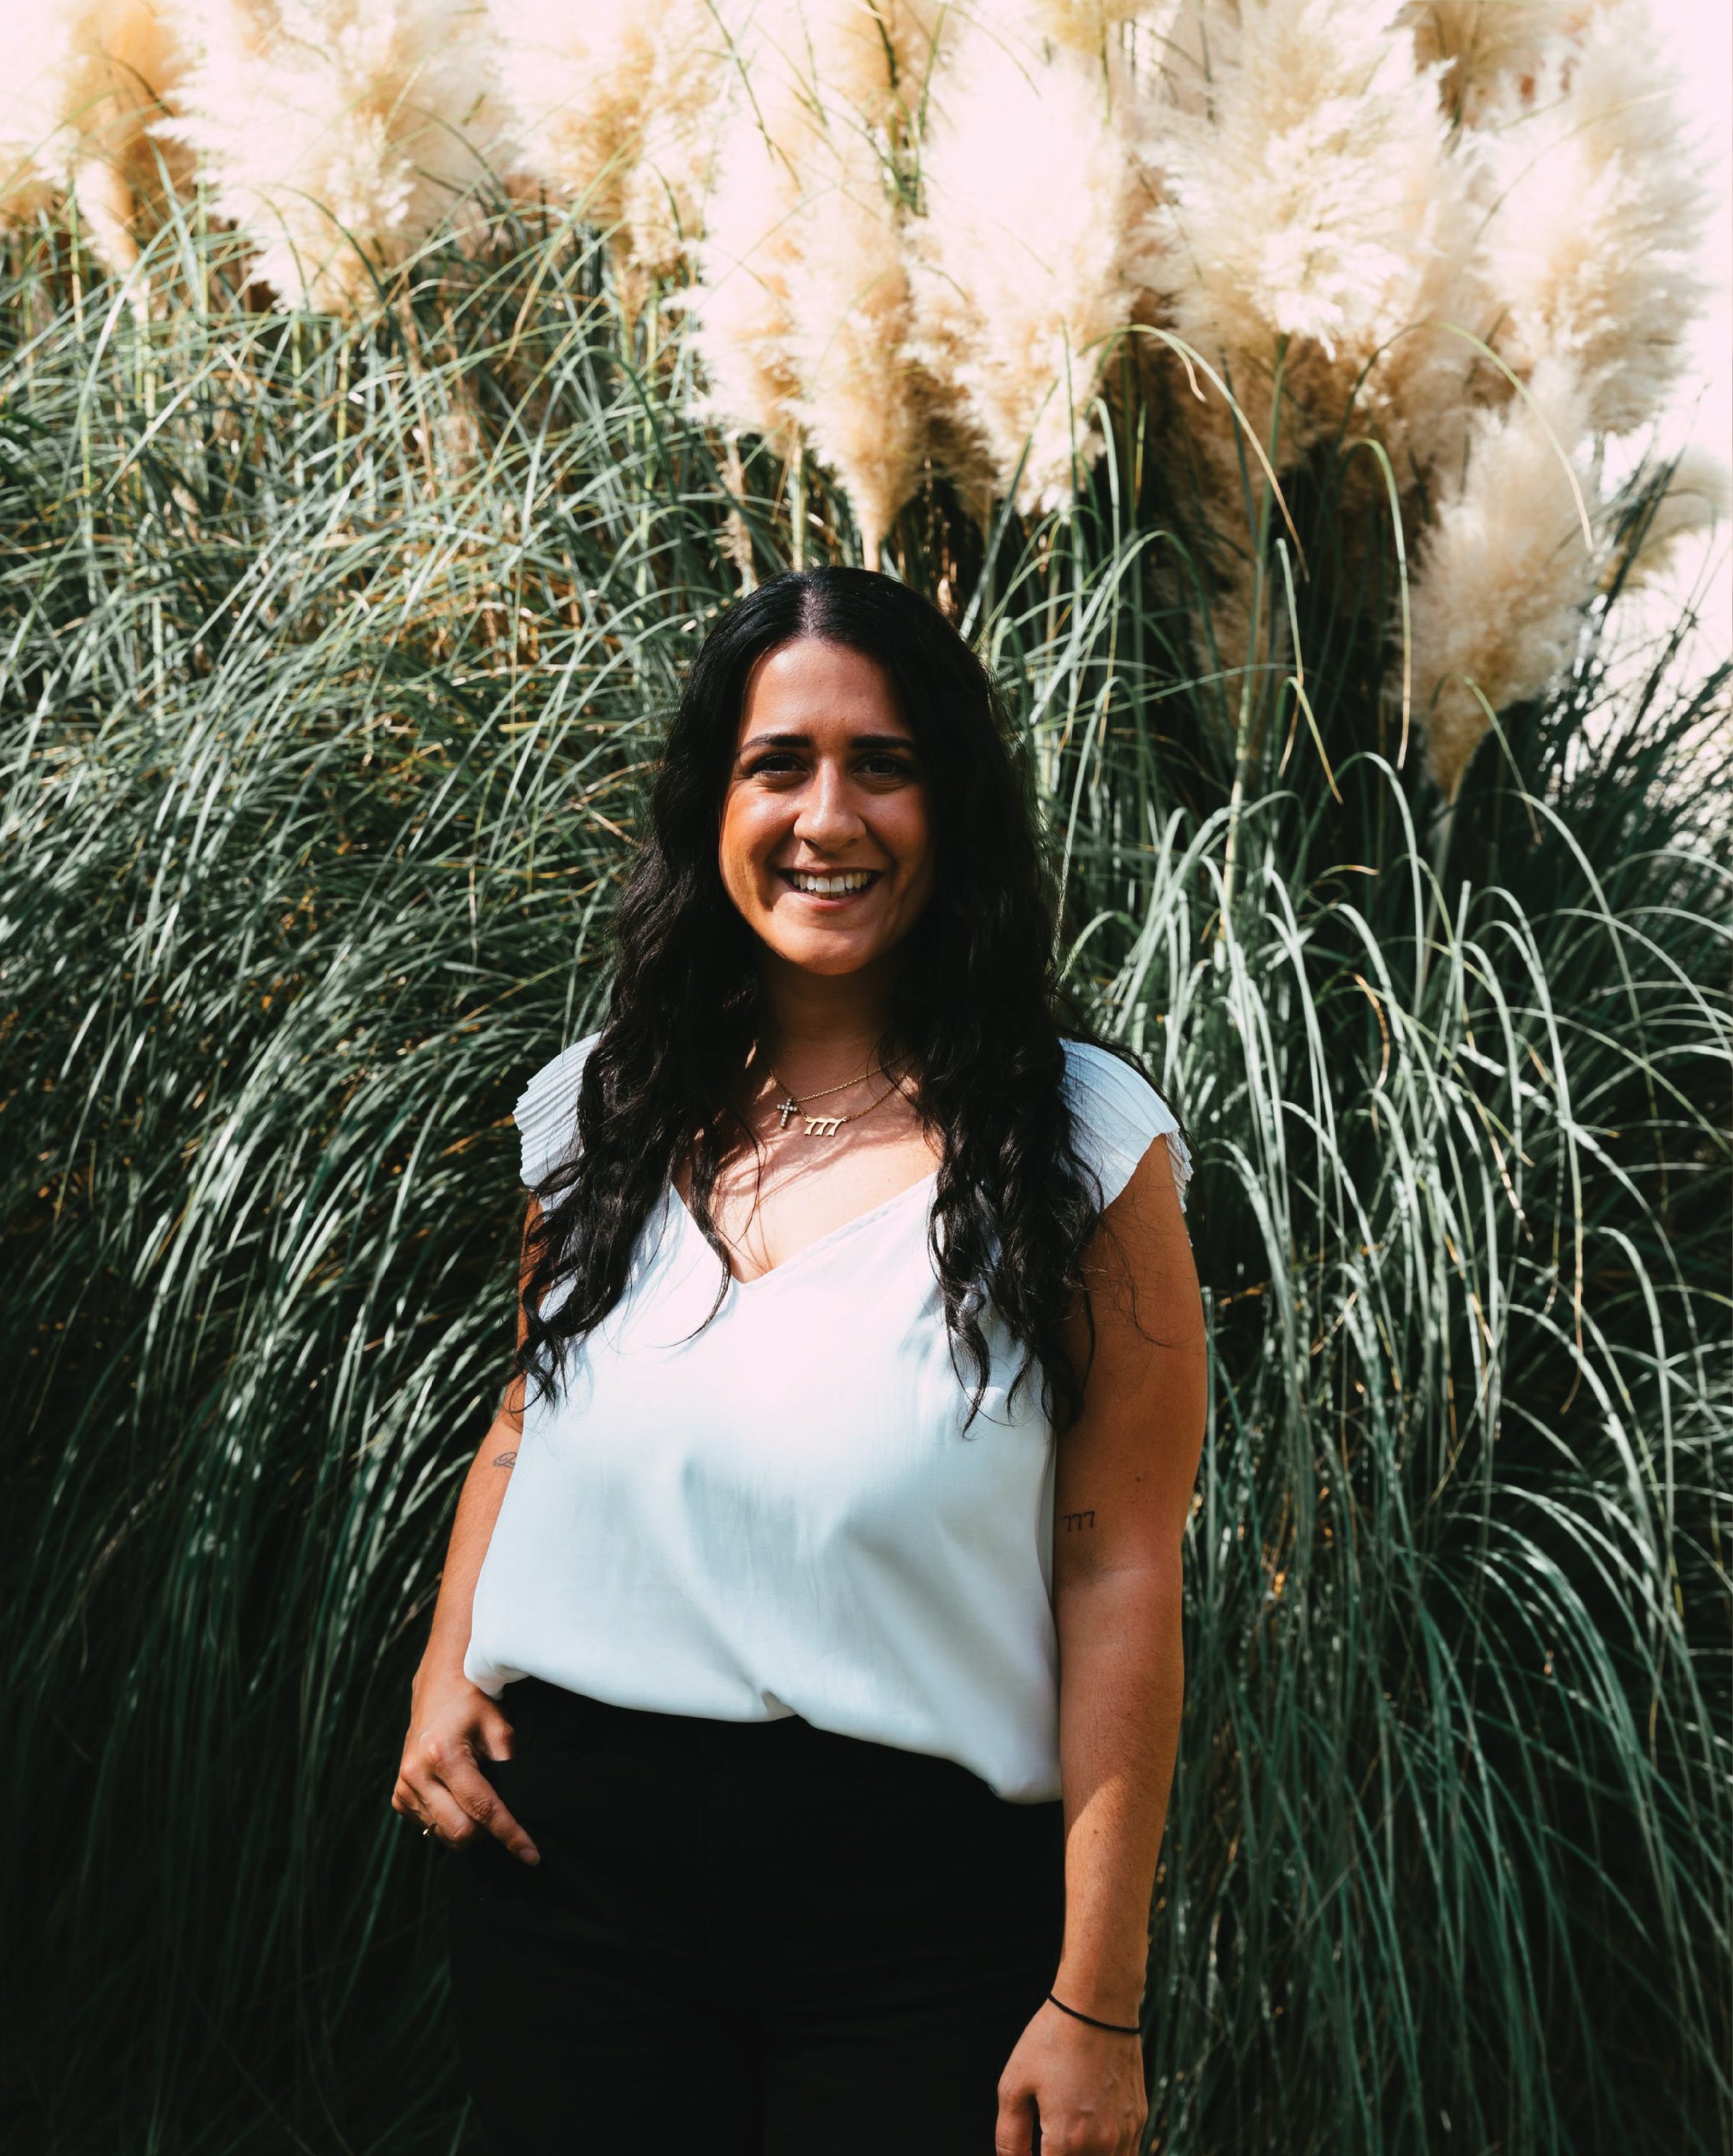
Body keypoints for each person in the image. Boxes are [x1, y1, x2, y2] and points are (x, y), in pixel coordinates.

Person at [391, 566, 1207, 2156]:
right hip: (570, 1892)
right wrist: (442, 1668)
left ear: (949, 805)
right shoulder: (597, 1108)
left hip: (916, 1925)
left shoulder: (1083, 1146)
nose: (825, 817)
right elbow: (526, 1407)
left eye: (880, 765)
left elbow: (1120, 1564)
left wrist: (1096, 2001)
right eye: (779, 765)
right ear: (713, 802)